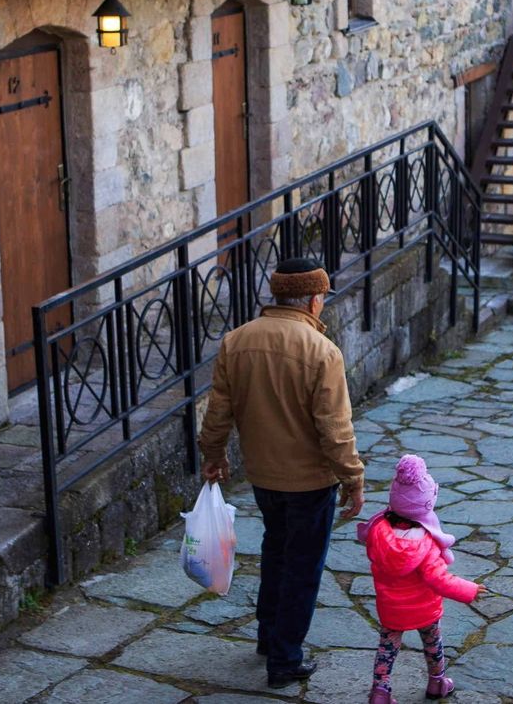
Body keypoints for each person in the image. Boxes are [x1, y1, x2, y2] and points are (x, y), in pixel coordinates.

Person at [198, 257, 366, 689]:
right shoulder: (321, 351)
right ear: (313, 300)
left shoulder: (237, 342)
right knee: (302, 567)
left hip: (263, 475)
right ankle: (285, 659)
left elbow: (218, 410)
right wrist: (353, 478)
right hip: (310, 481)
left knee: (276, 551)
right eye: (322, 299)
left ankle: (268, 636)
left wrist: (213, 453)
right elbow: (334, 428)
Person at [357, 454, 482, 704]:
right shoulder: (426, 543)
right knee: (433, 644)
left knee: (387, 649)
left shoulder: (378, 530)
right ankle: (437, 682)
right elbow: (438, 579)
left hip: (391, 607)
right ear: (426, 505)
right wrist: (470, 590)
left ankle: (380, 693)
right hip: (425, 608)